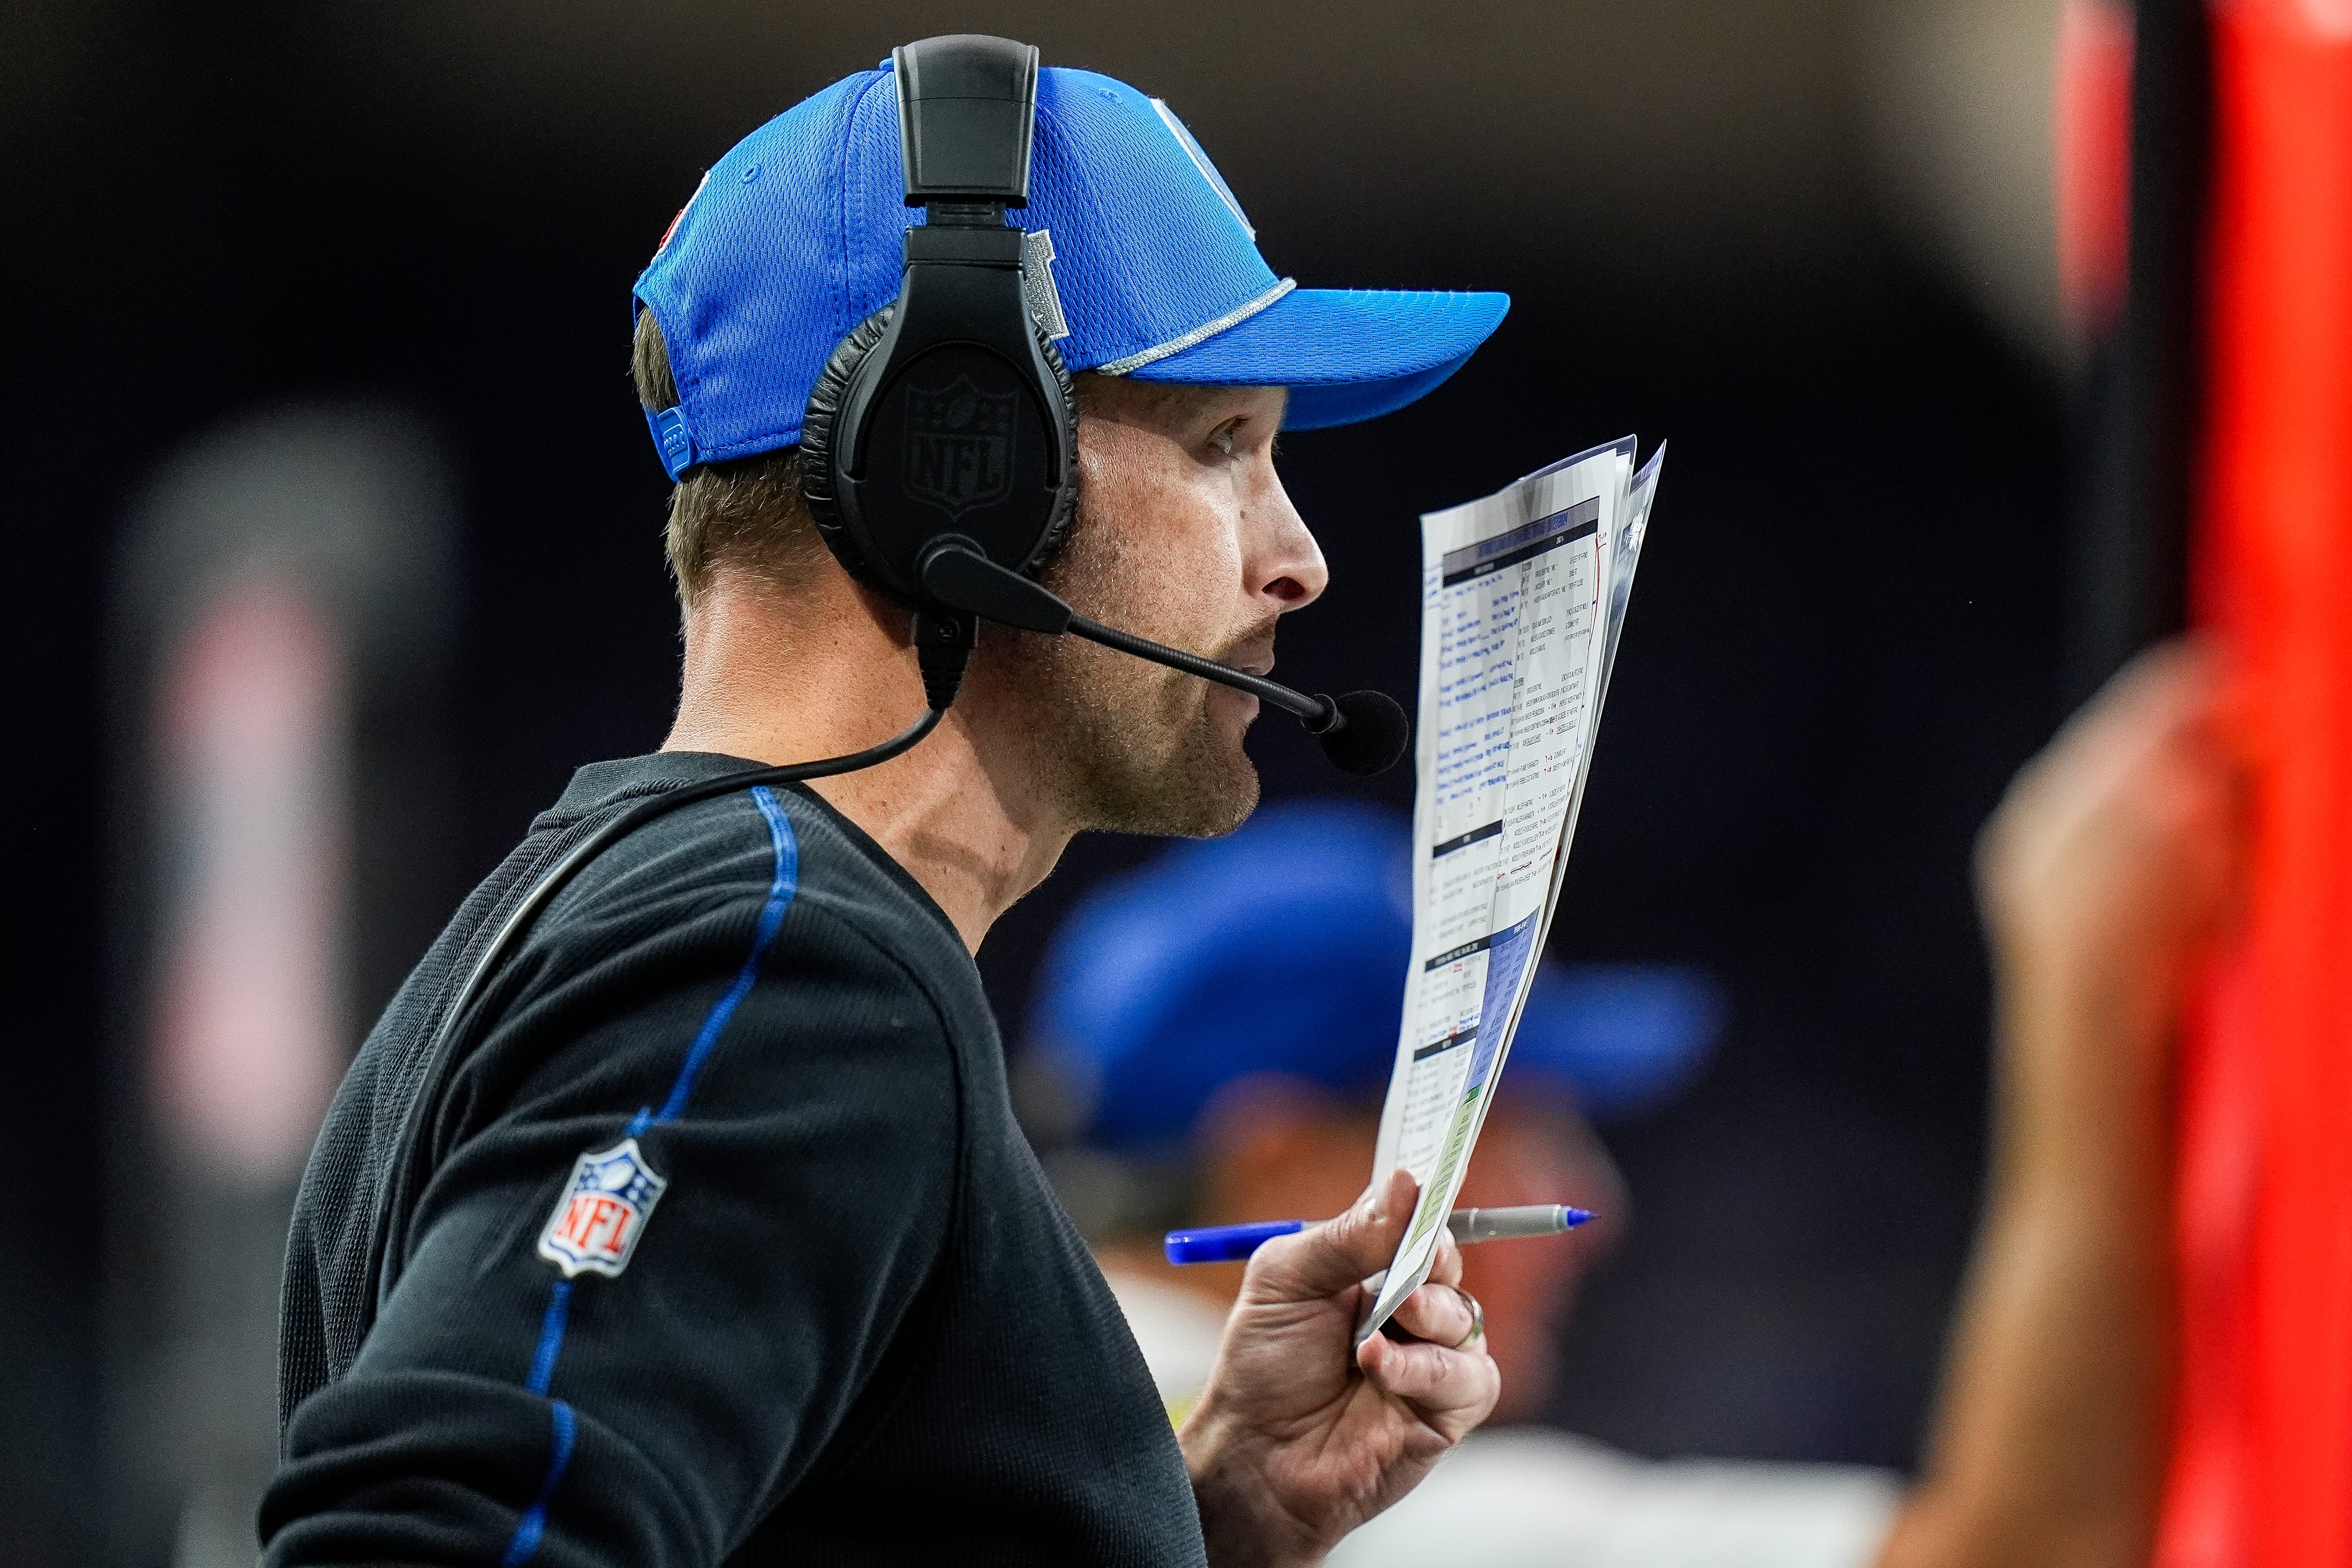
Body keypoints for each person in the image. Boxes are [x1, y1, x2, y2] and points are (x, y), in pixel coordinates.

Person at [260, 47, 1515, 1568]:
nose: (1300, 558)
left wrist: (1216, 1516)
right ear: (964, 469)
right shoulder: (786, 974)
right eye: (1222, 447)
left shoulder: (612, 929)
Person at [1028, 641, 2246, 1568]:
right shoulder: (1338, 1523)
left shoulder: (1012, 1416)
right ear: (1286, 1168)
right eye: (1518, 1125)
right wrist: (2081, 991)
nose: (1590, 1206)